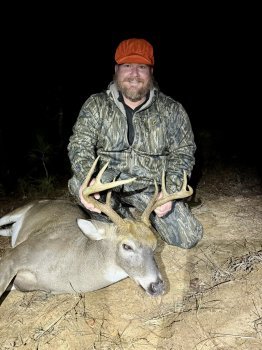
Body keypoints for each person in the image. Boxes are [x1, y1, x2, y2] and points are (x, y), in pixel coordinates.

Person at [67, 38, 203, 248]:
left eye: (141, 67)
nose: (134, 74)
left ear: (150, 72)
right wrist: (89, 178)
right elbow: (79, 145)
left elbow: (183, 152)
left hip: (151, 189)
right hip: (107, 185)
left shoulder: (171, 110)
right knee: (79, 185)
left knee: (188, 238)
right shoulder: (97, 105)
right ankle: (118, 216)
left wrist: (170, 191)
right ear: (116, 70)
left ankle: (134, 216)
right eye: (127, 66)